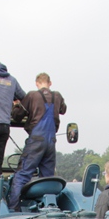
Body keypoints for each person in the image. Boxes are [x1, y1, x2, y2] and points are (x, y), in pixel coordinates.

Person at [8, 73, 66, 211]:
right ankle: (48, 209)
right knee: (47, 178)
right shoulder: (57, 96)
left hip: (36, 140)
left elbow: (17, 116)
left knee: (22, 175)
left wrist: (16, 105)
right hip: (51, 142)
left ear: (36, 83)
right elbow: (63, 109)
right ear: (50, 83)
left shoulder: (32, 95)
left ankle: (13, 209)